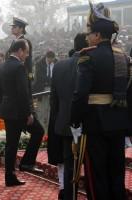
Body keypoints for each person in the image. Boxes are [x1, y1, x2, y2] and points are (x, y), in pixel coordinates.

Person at [71, 3, 130, 200]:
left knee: (97, 174)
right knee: (116, 172)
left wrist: (75, 121)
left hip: (95, 123)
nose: (87, 37)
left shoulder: (88, 57)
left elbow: (81, 94)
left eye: (89, 33)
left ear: (97, 35)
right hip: (119, 123)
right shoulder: (123, 57)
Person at [48, 33, 88, 200]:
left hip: (65, 123)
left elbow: (53, 100)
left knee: (68, 163)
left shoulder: (59, 66)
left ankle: (68, 196)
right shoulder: (90, 65)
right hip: (88, 124)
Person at [0, 39, 44, 187]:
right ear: (19, 50)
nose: (27, 55)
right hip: (19, 112)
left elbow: (1, 91)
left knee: (11, 144)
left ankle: (10, 176)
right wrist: (29, 113)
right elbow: (23, 93)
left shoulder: (3, 65)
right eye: (26, 52)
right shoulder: (19, 67)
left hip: (8, 110)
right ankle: (27, 162)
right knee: (39, 131)